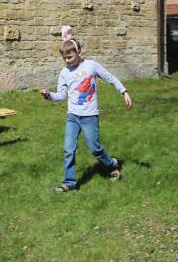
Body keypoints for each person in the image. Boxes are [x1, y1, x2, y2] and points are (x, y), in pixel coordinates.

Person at [40, 26, 133, 192]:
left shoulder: (91, 66)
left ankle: (112, 164)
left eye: (70, 56)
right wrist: (48, 95)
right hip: (73, 117)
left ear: (79, 52)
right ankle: (69, 183)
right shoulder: (64, 73)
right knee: (69, 149)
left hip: (89, 116)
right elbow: (61, 95)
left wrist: (124, 91)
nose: (67, 61)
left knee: (95, 148)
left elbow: (110, 78)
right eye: (65, 58)